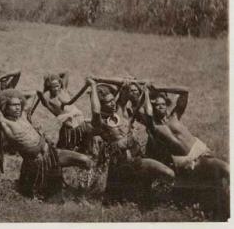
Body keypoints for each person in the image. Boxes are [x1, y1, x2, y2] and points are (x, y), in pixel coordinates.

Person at [0, 89, 93, 200]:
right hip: (38, 163)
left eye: (19, 104)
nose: (18, 107)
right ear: (5, 107)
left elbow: (31, 94)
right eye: (13, 105)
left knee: (86, 161)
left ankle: (81, 196)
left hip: (52, 154)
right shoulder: (5, 123)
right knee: (53, 200)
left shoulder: (23, 116)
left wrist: (17, 95)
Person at [142, 86, 229, 219]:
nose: (160, 107)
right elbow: (147, 113)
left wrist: (160, 88)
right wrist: (147, 94)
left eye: (163, 104)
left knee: (227, 169)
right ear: (153, 107)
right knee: (221, 174)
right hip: (187, 161)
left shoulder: (175, 116)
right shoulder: (154, 126)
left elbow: (184, 92)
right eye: (157, 105)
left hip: (200, 153)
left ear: (167, 105)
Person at [86, 77, 175, 202]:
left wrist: (108, 80)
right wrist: (93, 85)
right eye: (108, 102)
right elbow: (95, 111)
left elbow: (126, 87)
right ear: (101, 105)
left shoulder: (121, 111)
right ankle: (160, 197)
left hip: (136, 157)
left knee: (166, 174)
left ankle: (162, 196)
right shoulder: (100, 122)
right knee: (120, 199)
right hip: (122, 164)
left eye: (113, 100)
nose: (112, 103)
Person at [36, 72, 94, 154]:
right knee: (64, 149)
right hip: (69, 127)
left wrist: (54, 76)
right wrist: (46, 81)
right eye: (53, 87)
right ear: (49, 87)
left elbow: (66, 73)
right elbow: (39, 92)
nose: (56, 89)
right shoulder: (49, 100)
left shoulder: (64, 90)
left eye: (57, 86)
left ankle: (84, 148)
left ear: (60, 84)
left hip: (79, 121)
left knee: (87, 134)